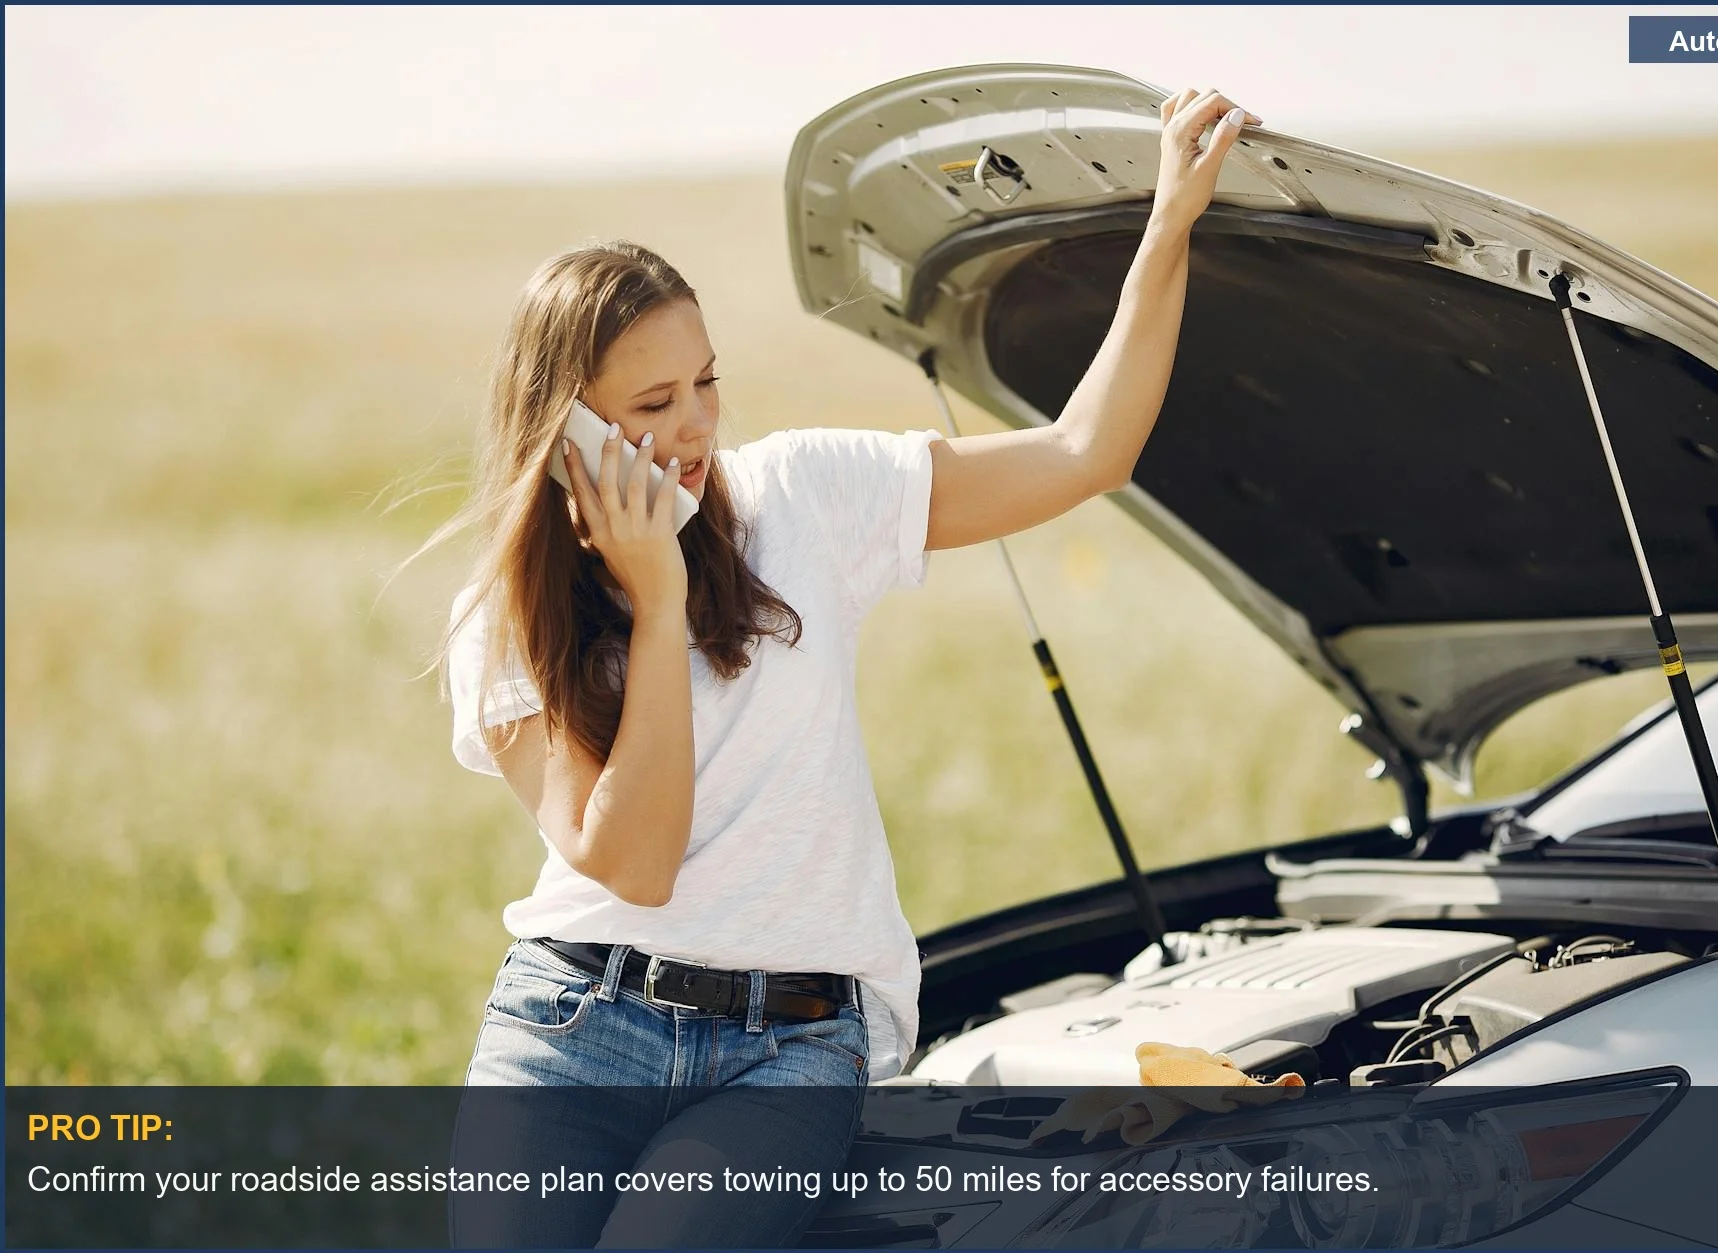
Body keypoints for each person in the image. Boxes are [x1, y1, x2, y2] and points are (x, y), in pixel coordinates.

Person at [438, 87, 1252, 1248]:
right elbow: (634, 857)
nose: (693, 426)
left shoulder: (803, 496)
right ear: (563, 430)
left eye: (704, 383)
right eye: (650, 404)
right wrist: (657, 602)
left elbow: (1084, 451)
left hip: (787, 1051)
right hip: (574, 1018)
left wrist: (1168, 222)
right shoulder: (505, 616)